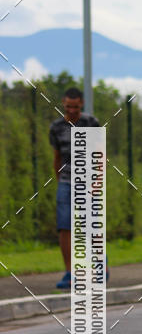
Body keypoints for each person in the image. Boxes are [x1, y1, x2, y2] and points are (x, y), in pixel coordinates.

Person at [49, 86, 100, 289]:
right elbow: (56, 157)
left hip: (88, 181)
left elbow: (99, 153)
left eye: (76, 107)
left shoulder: (91, 122)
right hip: (66, 182)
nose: (72, 110)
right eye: (69, 106)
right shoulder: (56, 127)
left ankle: (98, 265)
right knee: (64, 226)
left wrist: (96, 181)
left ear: (82, 104)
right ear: (63, 103)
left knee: (91, 226)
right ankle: (71, 272)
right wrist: (59, 179)